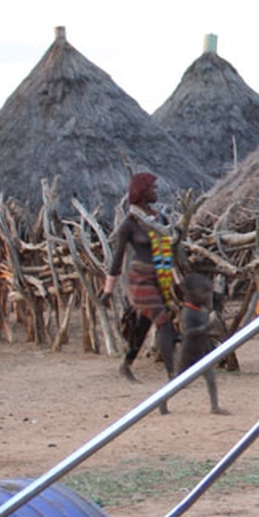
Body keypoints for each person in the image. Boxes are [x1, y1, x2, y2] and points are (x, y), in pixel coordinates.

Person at [103, 172, 179, 410]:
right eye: (153, 187)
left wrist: (175, 283)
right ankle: (173, 378)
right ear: (142, 190)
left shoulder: (162, 219)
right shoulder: (129, 223)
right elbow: (117, 260)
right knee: (164, 322)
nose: (157, 191)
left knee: (145, 324)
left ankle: (126, 364)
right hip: (140, 280)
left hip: (162, 277)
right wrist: (108, 291)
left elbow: (168, 254)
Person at [172, 271, 229, 415]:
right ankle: (161, 401)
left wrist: (213, 333)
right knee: (178, 383)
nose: (206, 296)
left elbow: (202, 332)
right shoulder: (188, 312)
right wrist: (207, 328)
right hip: (188, 353)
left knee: (211, 378)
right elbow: (188, 333)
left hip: (201, 353)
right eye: (203, 293)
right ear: (191, 294)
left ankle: (214, 406)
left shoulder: (200, 311)